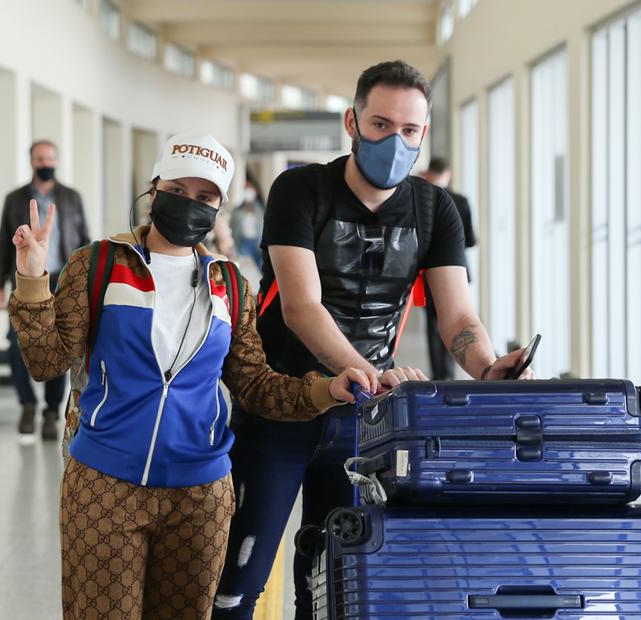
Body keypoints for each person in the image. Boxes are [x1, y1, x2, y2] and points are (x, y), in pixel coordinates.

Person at [213, 60, 534, 619]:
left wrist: (487, 367)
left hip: (366, 422)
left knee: (337, 582)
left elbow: (457, 317)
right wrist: (368, 369)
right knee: (239, 578)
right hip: (281, 406)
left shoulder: (436, 210)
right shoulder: (301, 190)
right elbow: (300, 306)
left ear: (423, 134)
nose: (395, 140)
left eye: (409, 130)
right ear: (352, 122)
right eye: (381, 124)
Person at [7, 133, 373, 619]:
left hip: (200, 495)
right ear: (154, 187)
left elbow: (255, 386)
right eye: (178, 190)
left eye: (205, 198)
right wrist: (33, 280)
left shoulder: (228, 285)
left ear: (219, 206)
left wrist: (327, 388)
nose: (189, 205)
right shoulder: (99, 264)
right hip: (102, 485)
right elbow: (45, 362)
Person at [0, 140, 89, 440]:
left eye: (50, 158)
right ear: (31, 161)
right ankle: (26, 405)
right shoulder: (14, 199)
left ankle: (50, 410)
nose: (45, 162)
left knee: (58, 343)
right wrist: (0, 283)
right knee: (16, 342)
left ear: (57, 161)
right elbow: (2, 244)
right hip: (25, 279)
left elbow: (85, 239)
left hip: (62, 280)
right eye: (40, 158)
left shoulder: (72, 198)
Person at [421, 157, 478, 380]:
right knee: (457, 317)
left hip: (428, 273)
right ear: (449, 174)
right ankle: (451, 372)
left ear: (428, 173)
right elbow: (471, 240)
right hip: (458, 271)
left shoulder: (424, 201)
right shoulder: (461, 201)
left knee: (433, 326)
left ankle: (439, 373)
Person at [229, 176, 265, 270]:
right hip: (242, 242)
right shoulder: (238, 210)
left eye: (250, 188)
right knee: (242, 269)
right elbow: (232, 226)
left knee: (260, 269)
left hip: (257, 243)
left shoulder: (261, 210)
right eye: (246, 188)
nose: (248, 191)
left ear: (256, 191)